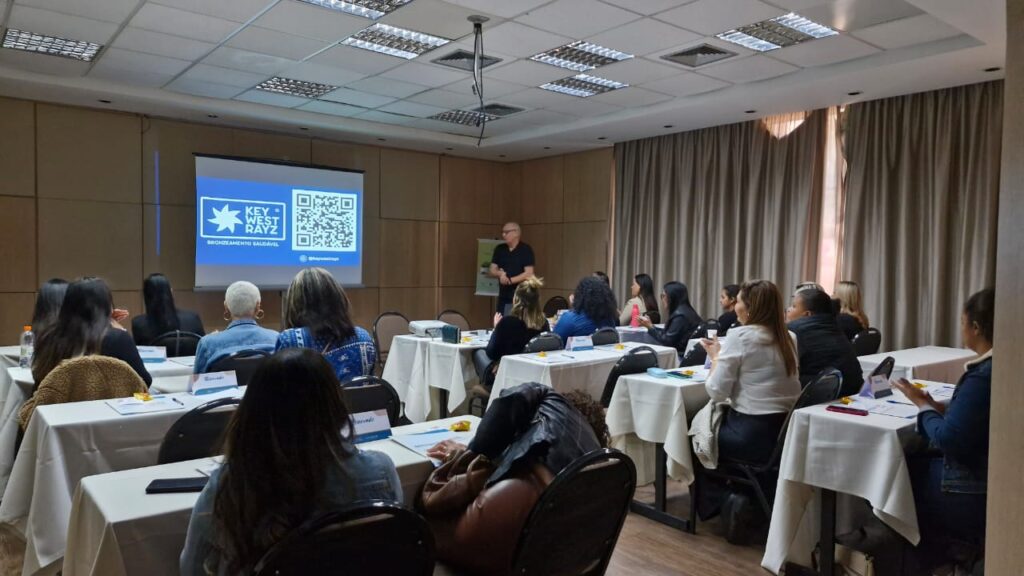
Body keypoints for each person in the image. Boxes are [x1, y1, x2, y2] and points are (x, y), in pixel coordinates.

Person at [179, 348, 402, 576]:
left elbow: (191, 568)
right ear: (335, 403)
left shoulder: (229, 484)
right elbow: (394, 549)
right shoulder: (380, 469)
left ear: (254, 409)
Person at [419, 383, 607, 575]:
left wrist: (472, 452)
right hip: (551, 556)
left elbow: (514, 400)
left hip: (507, 516)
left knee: (421, 526)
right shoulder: (598, 461)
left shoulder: (553, 403)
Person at [892, 288, 992, 573]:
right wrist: (942, 409)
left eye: (962, 323)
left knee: (898, 473)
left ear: (974, 326)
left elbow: (949, 440)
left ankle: (931, 562)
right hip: (988, 474)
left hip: (971, 485)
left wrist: (923, 407)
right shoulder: (1005, 365)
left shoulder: (983, 375)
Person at [698, 280, 800, 517]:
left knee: (695, 436)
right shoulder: (790, 337)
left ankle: (725, 502)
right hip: (782, 434)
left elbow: (716, 391)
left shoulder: (740, 336)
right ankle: (746, 497)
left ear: (750, 308)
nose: (735, 307)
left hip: (748, 435)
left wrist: (715, 358)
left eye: (739, 302)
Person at [32, 277, 151, 387]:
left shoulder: (48, 336)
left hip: (54, 406)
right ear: (107, 305)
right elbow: (144, 381)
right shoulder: (118, 338)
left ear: (67, 304)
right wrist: (114, 326)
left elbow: (38, 377)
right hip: (105, 407)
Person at [275, 268, 375, 382]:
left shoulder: (289, 340)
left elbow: (278, 393)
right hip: (355, 400)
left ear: (296, 303)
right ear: (338, 298)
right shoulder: (364, 338)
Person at [786, 288, 864, 395]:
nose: (788, 309)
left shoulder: (794, 330)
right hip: (852, 389)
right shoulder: (834, 325)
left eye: (794, 306)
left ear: (807, 314)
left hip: (822, 393)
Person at [192, 281, 279, 374]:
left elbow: (197, 384)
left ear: (226, 307)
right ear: (258, 307)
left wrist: (213, 339)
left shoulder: (208, 343)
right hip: (263, 388)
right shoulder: (277, 339)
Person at [480, 277, 550, 386]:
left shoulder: (507, 322)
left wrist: (496, 328)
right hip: (534, 379)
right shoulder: (543, 323)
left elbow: (492, 353)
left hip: (507, 377)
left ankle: (488, 389)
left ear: (516, 300)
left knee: (478, 353)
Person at [132, 273, 205, 345]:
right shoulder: (193, 318)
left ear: (146, 296)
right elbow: (203, 346)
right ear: (170, 292)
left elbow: (136, 354)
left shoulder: (138, 324)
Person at [638, 281, 702, 355]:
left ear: (672, 297)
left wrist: (650, 327)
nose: (662, 299)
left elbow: (667, 341)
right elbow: (668, 333)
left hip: (680, 355)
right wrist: (651, 326)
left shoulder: (680, 316)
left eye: (664, 296)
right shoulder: (687, 310)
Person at [553, 276, 617, 344]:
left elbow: (554, 341)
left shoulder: (569, 319)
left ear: (580, 295)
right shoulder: (609, 320)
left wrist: (574, 307)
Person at [488, 222, 535, 314]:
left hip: (521, 296)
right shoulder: (500, 249)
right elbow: (492, 269)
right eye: (503, 232)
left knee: (517, 323)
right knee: (501, 322)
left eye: (506, 232)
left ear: (516, 233)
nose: (503, 235)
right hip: (503, 295)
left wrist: (510, 280)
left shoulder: (525, 249)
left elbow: (529, 273)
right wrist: (500, 274)